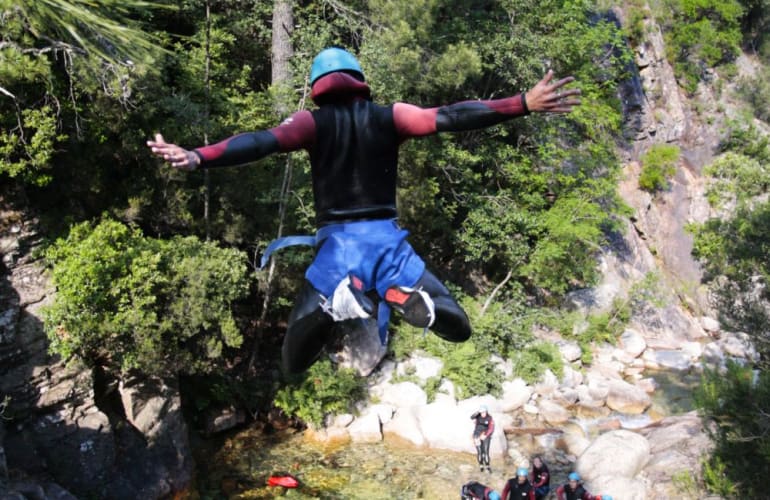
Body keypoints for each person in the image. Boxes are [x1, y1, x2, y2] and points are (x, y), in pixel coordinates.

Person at [147, 47, 581, 375]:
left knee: (294, 360)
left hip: (339, 250)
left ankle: (335, 304)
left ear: (318, 86)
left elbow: (259, 142)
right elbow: (450, 115)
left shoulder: (311, 123)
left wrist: (199, 156)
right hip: (387, 243)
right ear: (359, 80)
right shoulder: (392, 117)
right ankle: (402, 297)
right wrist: (521, 102)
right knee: (458, 324)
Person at [470, 405, 495, 472]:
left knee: (486, 452)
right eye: (481, 412)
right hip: (477, 435)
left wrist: (486, 435)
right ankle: (481, 466)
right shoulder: (478, 416)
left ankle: (487, 466)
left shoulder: (489, 418)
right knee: (480, 452)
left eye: (484, 412)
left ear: (486, 412)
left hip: (485, 435)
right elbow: (471, 417)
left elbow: (491, 428)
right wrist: (478, 412)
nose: (482, 414)